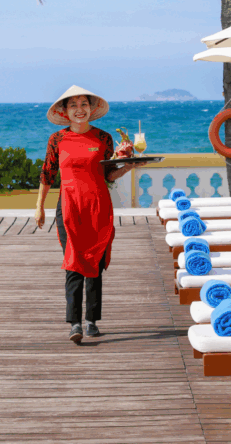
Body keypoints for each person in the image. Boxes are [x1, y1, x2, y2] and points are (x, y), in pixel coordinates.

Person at [34, 85, 134, 344]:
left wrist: (128, 166)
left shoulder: (103, 138)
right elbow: (47, 173)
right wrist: (39, 205)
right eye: (73, 105)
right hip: (68, 206)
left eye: (84, 104)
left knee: (96, 262)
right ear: (65, 111)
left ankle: (91, 321)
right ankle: (75, 323)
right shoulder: (57, 140)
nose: (80, 110)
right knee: (73, 260)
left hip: (98, 205)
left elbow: (108, 175)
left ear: (91, 108)